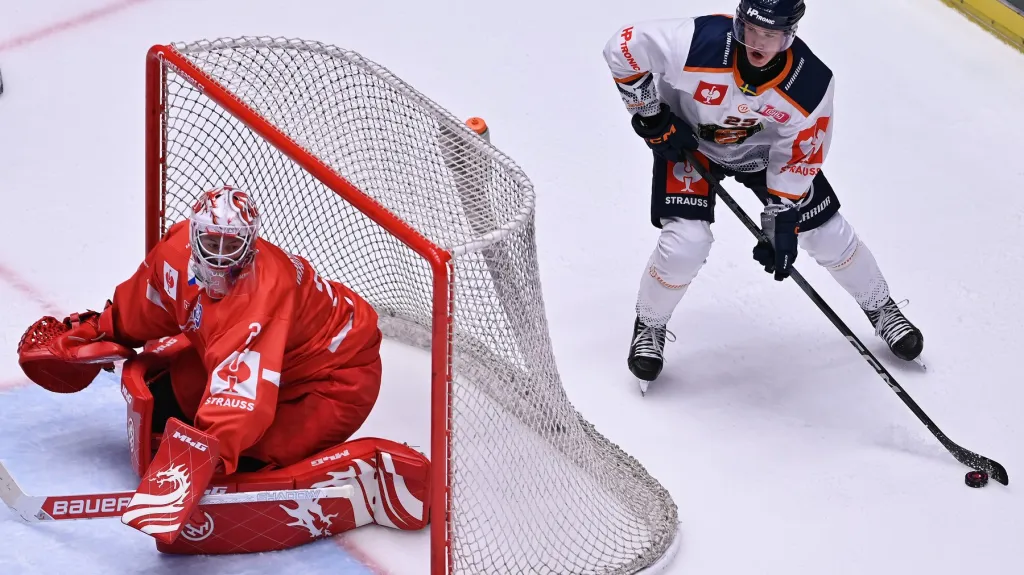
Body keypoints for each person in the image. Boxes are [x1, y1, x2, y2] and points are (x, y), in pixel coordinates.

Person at [18, 185, 384, 543]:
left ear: (251, 244)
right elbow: (152, 300)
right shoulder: (175, 250)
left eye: (232, 244)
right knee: (163, 411)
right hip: (272, 353)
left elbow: (241, 399)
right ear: (194, 234)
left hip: (333, 378)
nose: (221, 256)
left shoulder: (260, 297)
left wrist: (201, 463)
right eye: (212, 242)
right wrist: (106, 328)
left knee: (241, 462)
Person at [603, 0, 923, 383]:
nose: (757, 43)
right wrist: (652, 114)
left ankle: (881, 307)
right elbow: (621, 48)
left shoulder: (810, 83)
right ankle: (650, 325)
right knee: (686, 243)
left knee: (827, 233)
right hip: (688, 144)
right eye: (751, 31)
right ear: (740, 23)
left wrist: (782, 218)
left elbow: (800, 153)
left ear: (789, 35)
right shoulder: (699, 41)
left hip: (761, 156)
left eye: (770, 35)